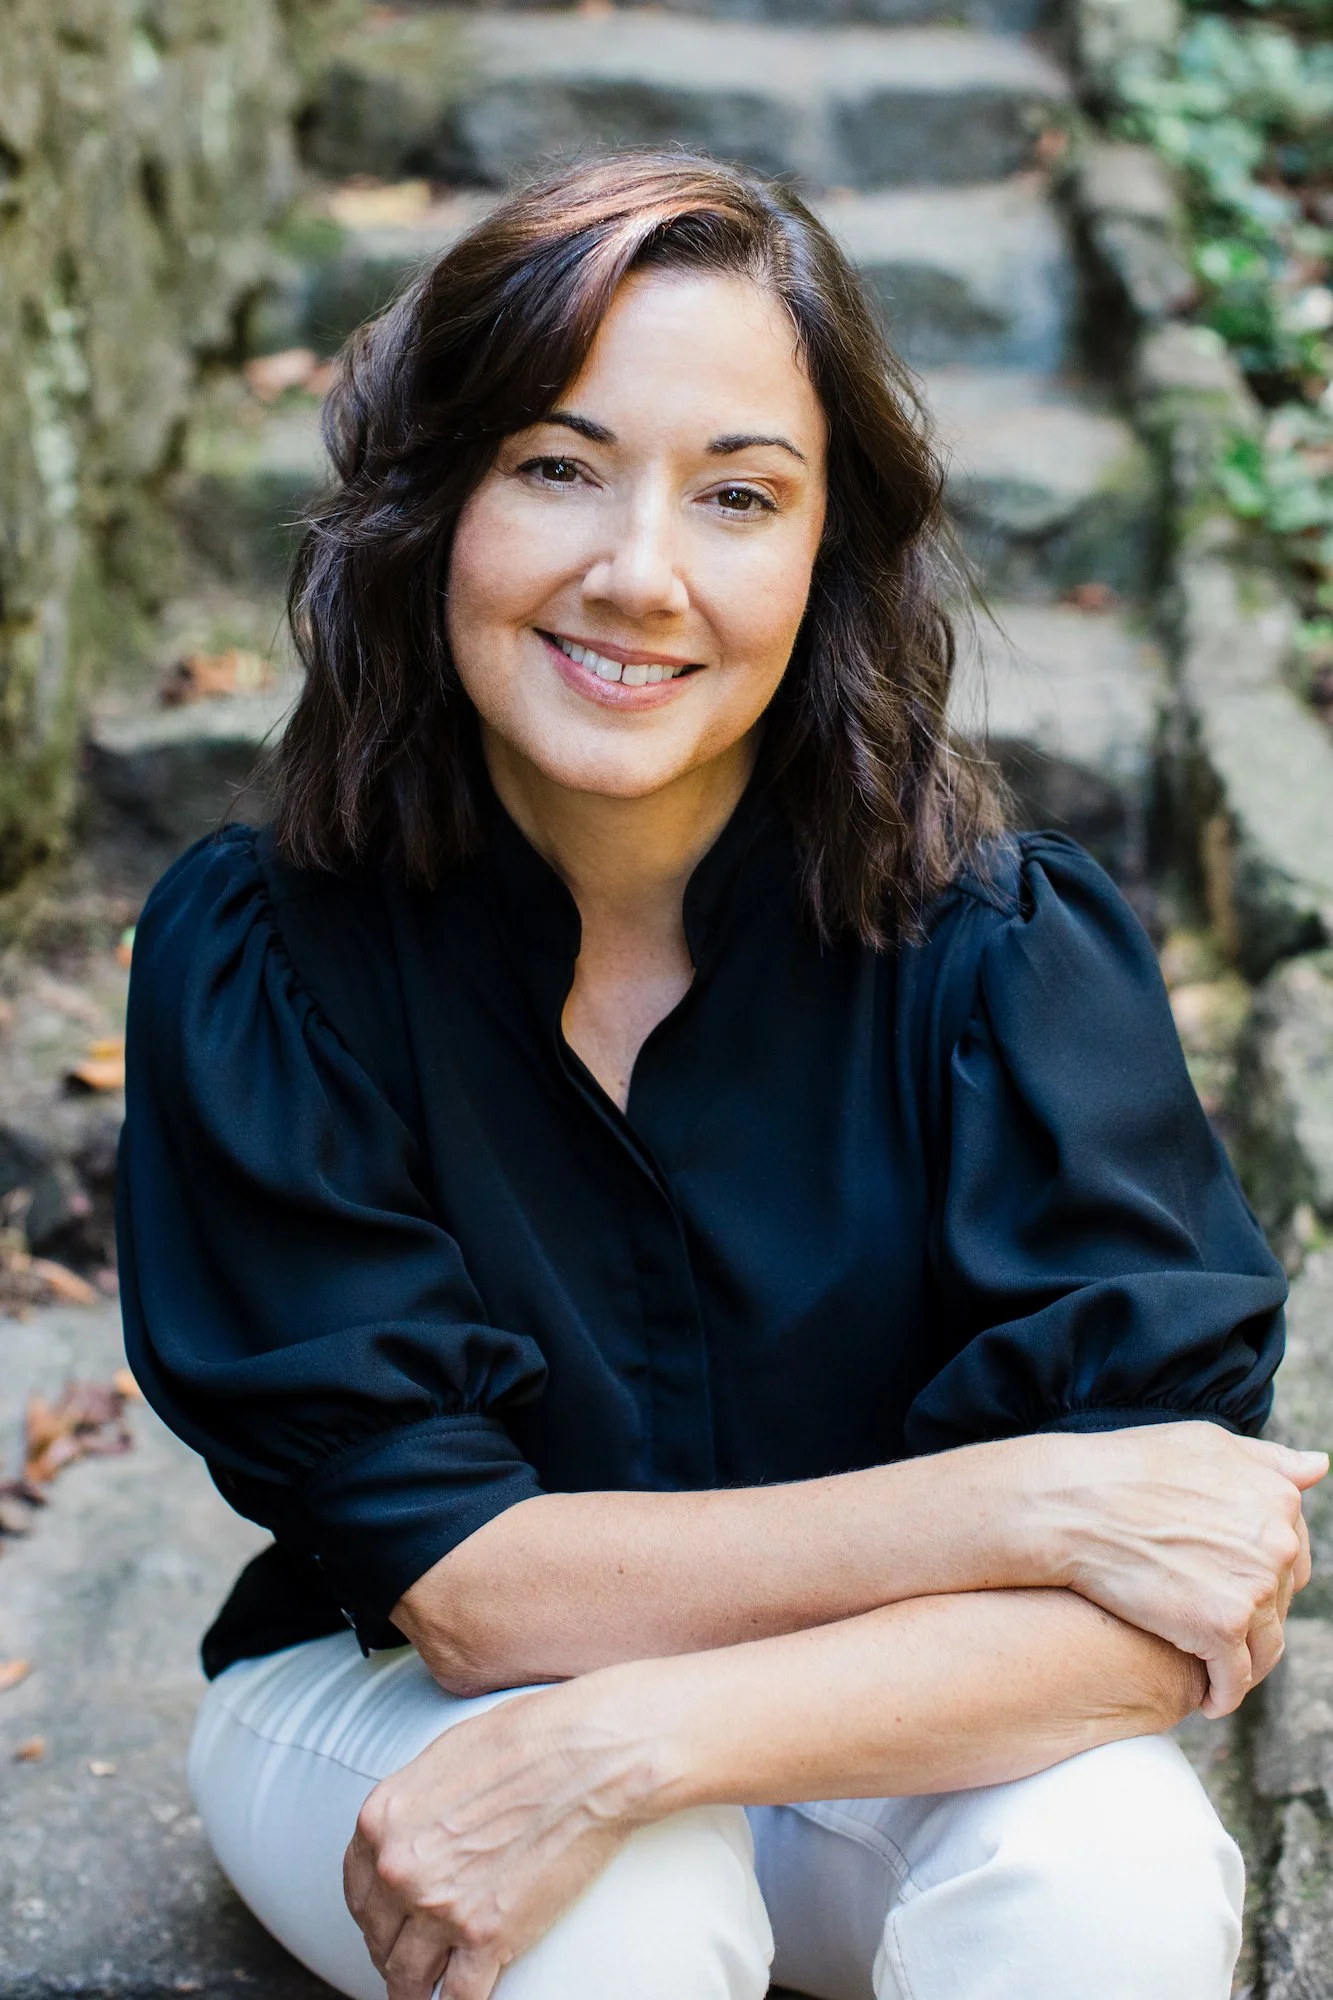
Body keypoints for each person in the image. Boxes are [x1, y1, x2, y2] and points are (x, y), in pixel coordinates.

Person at [118, 154, 1326, 2000]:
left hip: (889, 1717)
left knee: (1119, 1870)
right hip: (377, 1699)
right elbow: (468, 1588)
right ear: (436, 498)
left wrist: (634, 1738)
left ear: (826, 550)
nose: (639, 574)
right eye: (555, 465)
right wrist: (1024, 1508)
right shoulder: (265, 953)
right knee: (619, 1901)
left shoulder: (1008, 955)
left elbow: (1165, 1626)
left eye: (740, 495)